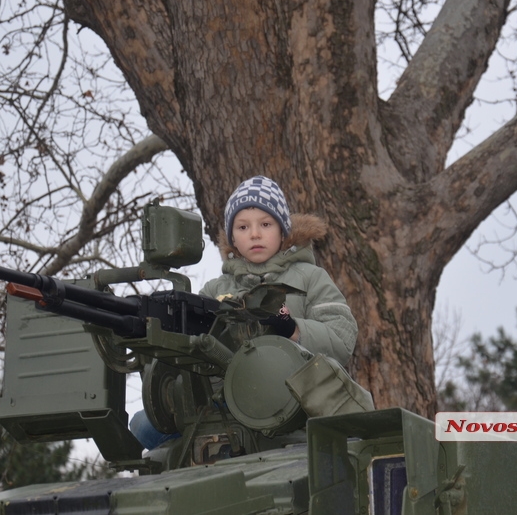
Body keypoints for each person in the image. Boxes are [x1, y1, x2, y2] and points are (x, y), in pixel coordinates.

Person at [130, 175, 358, 449]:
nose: (254, 234)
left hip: (297, 400)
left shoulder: (311, 278)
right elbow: (189, 350)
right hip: (227, 403)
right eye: (242, 226)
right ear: (232, 238)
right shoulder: (215, 290)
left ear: (283, 231)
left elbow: (342, 339)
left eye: (265, 224)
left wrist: (292, 328)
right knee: (143, 426)